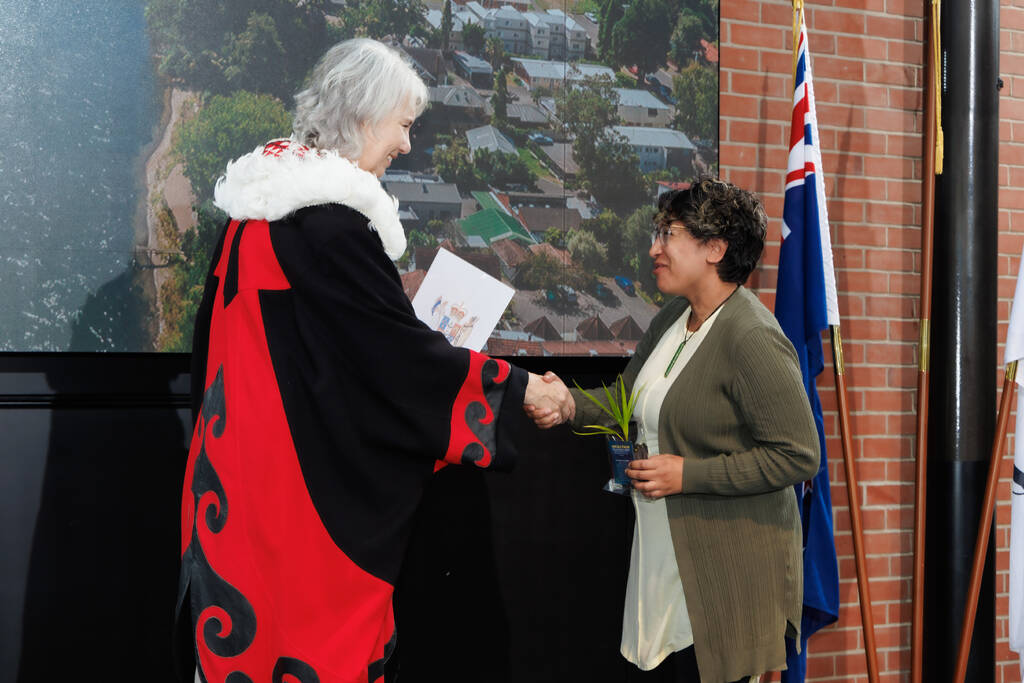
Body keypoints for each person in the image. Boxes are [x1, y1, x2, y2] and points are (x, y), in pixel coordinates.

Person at [174, 38, 573, 683]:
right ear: (364, 117)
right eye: (404, 125)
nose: (407, 145)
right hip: (298, 515)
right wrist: (519, 387)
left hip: (240, 492)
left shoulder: (256, 217)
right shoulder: (329, 226)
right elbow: (394, 362)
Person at [528, 177, 820, 682]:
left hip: (721, 579)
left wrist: (690, 475)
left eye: (668, 234)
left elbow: (798, 456)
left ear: (715, 248)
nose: (653, 248)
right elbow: (626, 399)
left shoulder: (752, 336)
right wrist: (566, 402)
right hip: (662, 561)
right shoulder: (673, 318)